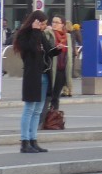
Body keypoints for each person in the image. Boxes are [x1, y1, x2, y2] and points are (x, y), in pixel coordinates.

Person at [14, 10, 53, 153]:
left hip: (43, 75)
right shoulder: (25, 35)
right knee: (29, 108)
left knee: (38, 110)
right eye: (42, 24)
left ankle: (33, 139)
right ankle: (25, 141)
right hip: (32, 76)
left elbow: (49, 49)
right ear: (35, 22)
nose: (44, 26)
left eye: (45, 24)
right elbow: (30, 49)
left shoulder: (41, 34)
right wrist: (36, 31)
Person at [46, 14, 70, 112]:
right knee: (48, 96)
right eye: (53, 22)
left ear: (62, 24)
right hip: (51, 69)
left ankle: (53, 119)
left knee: (56, 97)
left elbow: (69, 55)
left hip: (62, 70)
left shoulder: (67, 36)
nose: (54, 24)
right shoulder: (48, 34)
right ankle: (43, 119)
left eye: (57, 22)